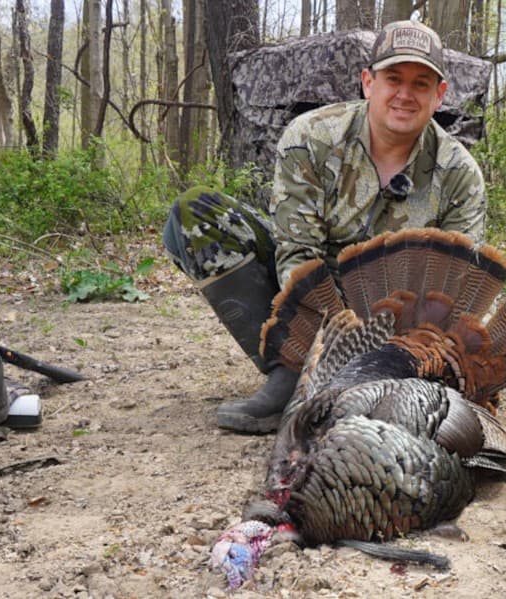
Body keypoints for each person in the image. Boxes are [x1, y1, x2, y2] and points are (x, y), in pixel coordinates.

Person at [162, 20, 487, 433]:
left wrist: (400, 356)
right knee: (193, 218)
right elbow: (297, 254)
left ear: (439, 95)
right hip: (314, 305)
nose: (405, 94)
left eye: (421, 83)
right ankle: (292, 373)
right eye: (393, 79)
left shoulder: (458, 173)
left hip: (395, 329)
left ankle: (364, 390)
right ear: (368, 82)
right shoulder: (313, 136)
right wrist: (327, 340)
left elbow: (459, 290)